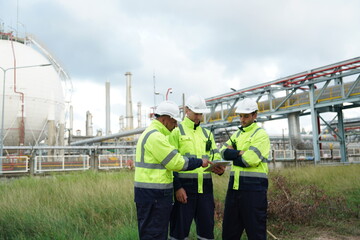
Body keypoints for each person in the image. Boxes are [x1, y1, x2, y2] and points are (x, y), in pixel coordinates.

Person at [134, 100, 211, 240]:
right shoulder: (155, 137)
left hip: (150, 196)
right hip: (154, 196)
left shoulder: (153, 134)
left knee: (153, 233)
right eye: (174, 122)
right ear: (164, 119)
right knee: (154, 234)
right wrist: (200, 162)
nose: (176, 125)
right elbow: (176, 162)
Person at [168, 95, 225, 240]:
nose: (199, 117)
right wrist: (177, 187)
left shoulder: (207, 134)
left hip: (205, 189)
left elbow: (215, 155)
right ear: (187, 110)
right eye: (196, 113)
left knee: (206, 232)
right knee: (179, 232)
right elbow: (170, 162)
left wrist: (219, 167)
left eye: (201, 114)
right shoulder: (176, 131)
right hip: (184, 189)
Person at [220, 98, 270, 240]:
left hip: (254, 191)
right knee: (229, 233)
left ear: (255, 115)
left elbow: (249, 160)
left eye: (246, 116)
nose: (242, 120)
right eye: (240, 116)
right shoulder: (237, 134)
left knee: (256, 233)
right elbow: (222, 152)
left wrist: (234, 153)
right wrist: (240, 152)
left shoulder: (260, 135)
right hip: (234, 189)